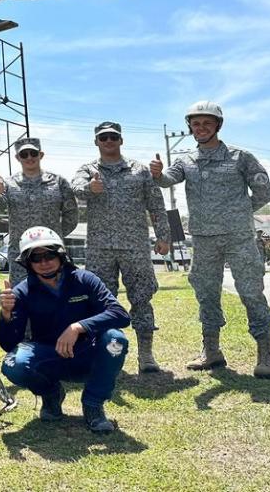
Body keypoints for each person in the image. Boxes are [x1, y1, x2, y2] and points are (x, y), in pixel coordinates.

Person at [150, 101, 270, 377]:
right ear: (190, 128)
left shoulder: (240, 157)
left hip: (239, 237)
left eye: (207, 122)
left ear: (218, 125)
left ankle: (266, 355)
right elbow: (167, 180)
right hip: (204, 238)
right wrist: (158, 174)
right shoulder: (186, 160)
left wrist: (240, 212)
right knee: (206, 294)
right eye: (195, 124)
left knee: (251, 292)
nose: (201, 128)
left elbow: (264, 193)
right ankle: (212, 351)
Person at [0, 226, 131, 434]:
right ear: (27, 263)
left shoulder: (85, 280)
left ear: (61, 255)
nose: (44, 263)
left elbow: (120, 314)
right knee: (13, 364)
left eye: (49, 255)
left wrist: (79, 327)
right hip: (51, 357)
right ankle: (51, 394)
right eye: (36, 258)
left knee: (115, 339)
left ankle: (93, 405)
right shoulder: (22, 291)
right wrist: (6, 315)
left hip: (87, 354)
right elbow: (7, 344)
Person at [71, 122, 170, 373]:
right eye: (103, 137)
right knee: (101, 303)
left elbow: (156, 205)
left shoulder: (139, 170)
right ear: (96, 142)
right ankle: (106, 353)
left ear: (121, 140)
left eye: (113, 136)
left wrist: (163, 236)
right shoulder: (88, 170)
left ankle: (146, 355)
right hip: (100, 248)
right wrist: (89, 188)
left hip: (135, 246)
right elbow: (75, 188)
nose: (108, 140)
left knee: (142, 299)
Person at [0, 137, 77, 284]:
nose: (29, 157)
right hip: (20, 253)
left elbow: (71, 214)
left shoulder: (59, 182)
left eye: (33, 153)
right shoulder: (9, 184)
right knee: (22, 297)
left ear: (40, 155)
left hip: (52, 252)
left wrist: (55, 236)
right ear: (17, 157)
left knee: (56, 293)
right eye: (24, 154)